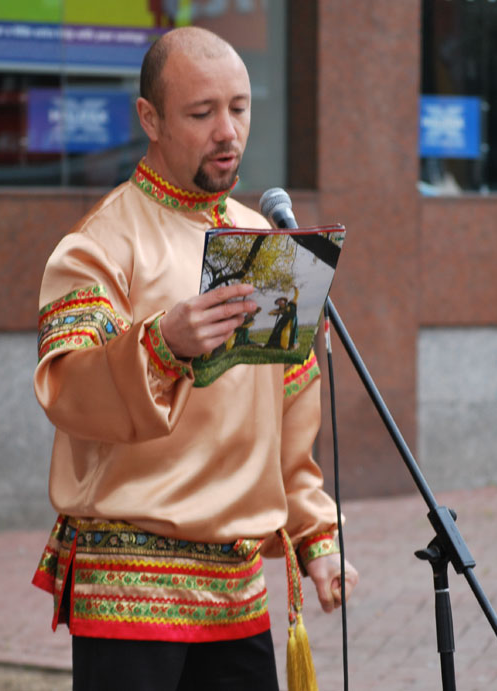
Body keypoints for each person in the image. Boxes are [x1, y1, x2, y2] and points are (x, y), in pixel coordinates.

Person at [32, 26, 358, 691]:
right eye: (202, 112)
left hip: (239, 589)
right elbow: (66, 388)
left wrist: (315, 538)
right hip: (131, 588)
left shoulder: (263, 239)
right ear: (149, 118)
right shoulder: (101, 242)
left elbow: (288, 413)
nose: (227, 131)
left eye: (238, 108)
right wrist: (159, 344)